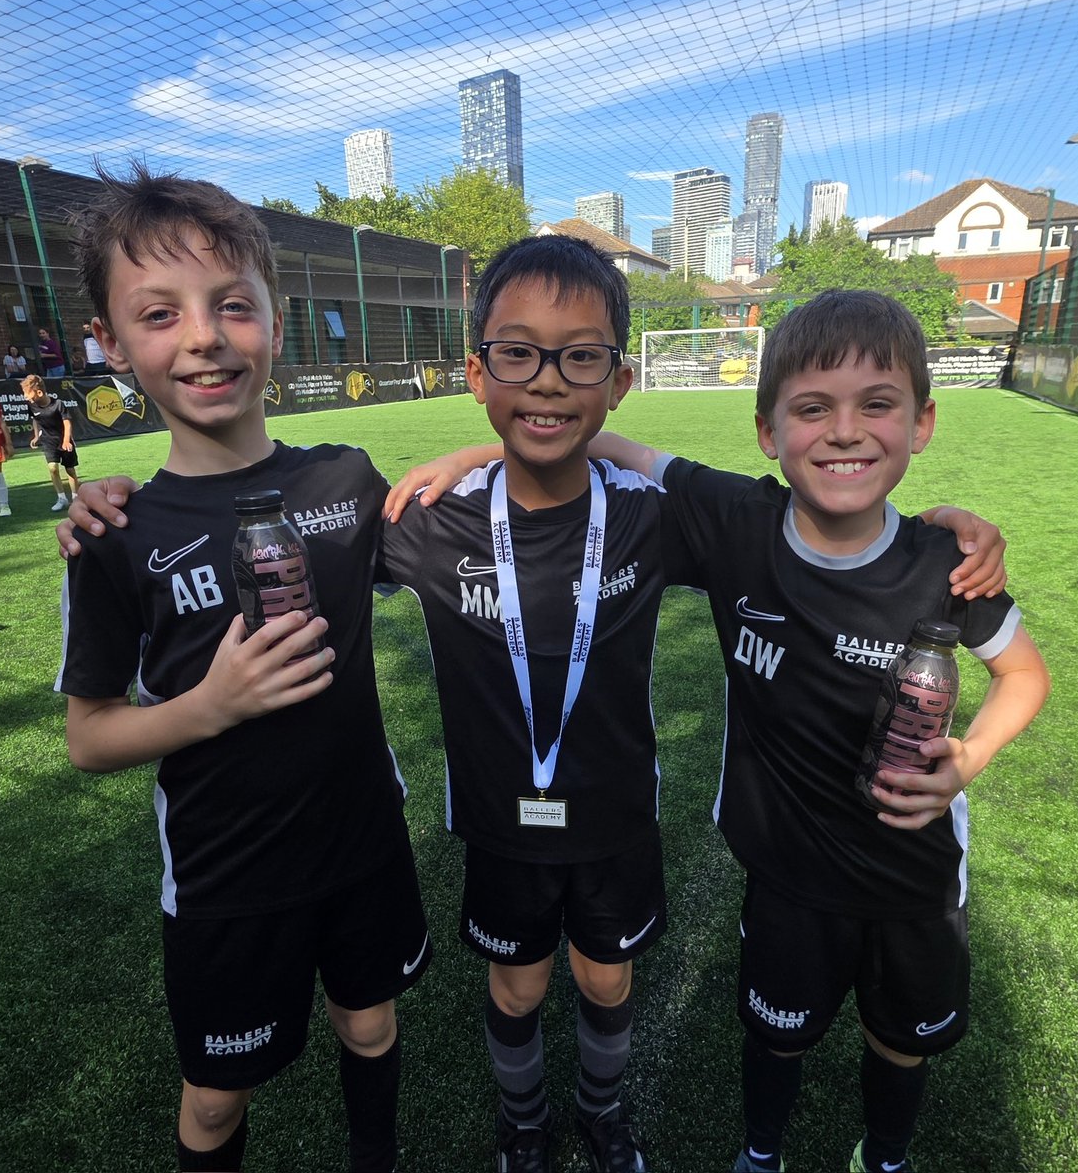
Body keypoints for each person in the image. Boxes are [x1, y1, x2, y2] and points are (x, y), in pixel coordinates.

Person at [61, 259, 1010, 1173]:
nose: (547, 380)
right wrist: (113, 503)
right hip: (498, 826)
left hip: (613, 821)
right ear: (478, 372)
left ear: (618, 378)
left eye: (580, 358)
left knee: (605, 977)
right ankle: (523, 1125)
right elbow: (285, 520)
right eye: (516, 356)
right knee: (513, 983)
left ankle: (602, 1110)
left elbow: (801, 523)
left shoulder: (657, 516)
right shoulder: (421, 520)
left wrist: (943, 532)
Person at [584, 290, 1050, 1173]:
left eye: (877, 404)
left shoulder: (946, 566)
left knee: (900, 1043)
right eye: (811, 408)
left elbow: (1023, 673)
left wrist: (969, 759)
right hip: (787, 876)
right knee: (777, 1037)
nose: (844, 431)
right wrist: (482, 448)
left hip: (913, 883)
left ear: (921, 423)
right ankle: (761, 1154)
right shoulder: (735, 525)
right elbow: (602, 443)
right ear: (767, 432)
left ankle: (885, 1158)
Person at [56, 164, 430, 1173]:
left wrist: (476, 459)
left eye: (232, 305)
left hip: (362, 842)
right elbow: (89, 736)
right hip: (228, 881)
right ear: (112, 341)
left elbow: (476, 543)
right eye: (159, 313)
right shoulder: (114, 532)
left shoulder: (344, 480)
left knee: (370, 1025)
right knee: (215, 1101)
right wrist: (209, 706)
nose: (204, 336)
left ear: (276, 315)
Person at [21, 372, 82, 510]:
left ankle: (75, 497)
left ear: (39, 393)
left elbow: (67, 423)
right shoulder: (31, 406)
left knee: (70, 470)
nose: (25, 396)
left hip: (64, 440)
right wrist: (36, 436)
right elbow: (35, 419)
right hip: (48, 441)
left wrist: (66, 441)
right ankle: (61, 498)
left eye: (27, 393)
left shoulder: (58, 404)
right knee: (53, 468)